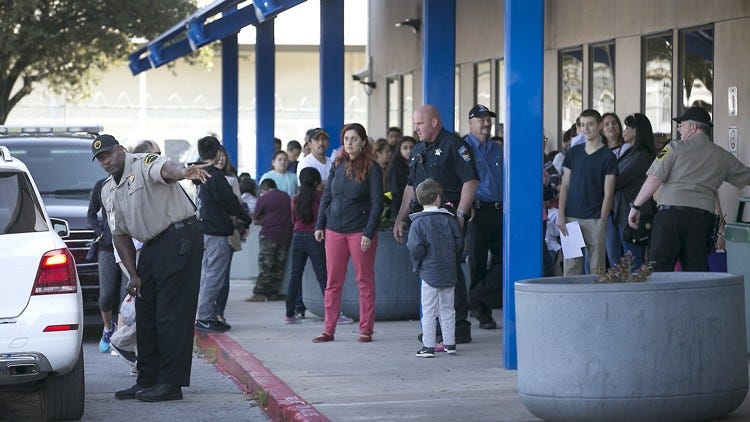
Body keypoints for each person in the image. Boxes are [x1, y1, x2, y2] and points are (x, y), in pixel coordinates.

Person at [93, 134, 209, 402]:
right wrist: (133, 274)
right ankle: (147, 379)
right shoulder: (107, 190)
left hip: (179, 235)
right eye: (100, 158)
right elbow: (119, 234)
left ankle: (170, 383)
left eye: (109, 154)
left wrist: (184, 172)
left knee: (170, 313)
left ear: (121, 150)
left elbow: (166, 169)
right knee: (145, 312)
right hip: (151, 244)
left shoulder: (142, 162)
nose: (105, 160)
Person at [392, 104, 478, 344]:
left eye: (419, 123)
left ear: (434, 122)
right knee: (429, 271)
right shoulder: (418, 149)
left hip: (447, 219)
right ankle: (436, 327)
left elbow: (470, 182)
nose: (415, 128)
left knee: (451, 271)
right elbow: (411, 187)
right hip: (422, 221)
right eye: (415, 123)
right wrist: (400, 218)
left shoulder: (455, 145)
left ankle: (458, 327)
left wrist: (460, 215)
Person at [629, 106, 750, 271]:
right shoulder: (723, 156)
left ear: (693, 127)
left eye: (682, 124)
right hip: (701, 221)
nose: (679, 128)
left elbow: (654, 178)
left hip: (670, 218)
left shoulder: (674, 148)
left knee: (658, 269)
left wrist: (636, 206)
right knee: (696, 271)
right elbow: (747, 177)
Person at [312, 123, 384, 344]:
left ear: (363, 142)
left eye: (354, 139)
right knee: (333, 282)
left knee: (364, 281)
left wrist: (368, 232)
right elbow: (327, 197)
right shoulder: (338, 163)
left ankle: (366, 330)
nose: (349, 143)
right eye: (346, 139)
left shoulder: (372, 167)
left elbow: (377, 202)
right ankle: (328, 330)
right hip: (334, 229)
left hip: (360, 231)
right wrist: (319, 224)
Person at [194, 137, 251, 333]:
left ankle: (202, 315)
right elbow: (231, 202)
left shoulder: (198, 173)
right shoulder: (215, 176)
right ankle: (205, 317)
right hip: (216, 232)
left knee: (206, 275)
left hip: (203, 231)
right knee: (214, 277)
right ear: (218, 153)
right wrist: (246, 218)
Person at [557, 109, 618, 275]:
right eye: (582, 125)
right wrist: (561, 215)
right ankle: (571, 302)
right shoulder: (573, 152)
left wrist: (602, 221)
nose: (586, 129)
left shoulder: (608, 156)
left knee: (597, 269)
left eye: (590, 124)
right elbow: (565, 185)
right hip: (571, 218)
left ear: (599, 126)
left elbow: (609, 193)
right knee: (571, 269)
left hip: (595, 219)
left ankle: (596, 302)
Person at [407, 178, 462, 358]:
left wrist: (419, 263)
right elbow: (459, 242)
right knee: (448, 308)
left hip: (429, 272)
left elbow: (415, 247)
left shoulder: (418, 223)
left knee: (429, 310)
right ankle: (450, 344)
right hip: (448, 270)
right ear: (438, 198)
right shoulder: (449, 219)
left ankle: (428, 346)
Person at [463, 104, 503, 330]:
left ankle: (476, 298)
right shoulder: (464, 147)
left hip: (499, 210)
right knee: (477, 262)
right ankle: (483, 313)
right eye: (481, 120)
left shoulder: (497, 148)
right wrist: (465, 206)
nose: (486, 123)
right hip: (476, 212)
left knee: (503, 260)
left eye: (488, 119)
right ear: (470, 123)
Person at [608, 113, 656, 268]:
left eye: (628, 127)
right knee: (622, 261)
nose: (625, 130)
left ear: (637, 131)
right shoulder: (631, 153)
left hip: (632, 215)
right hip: (621, 213)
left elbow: (619, 180)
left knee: (633, 260)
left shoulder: (642, 157)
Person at [87, 177, 128, 353]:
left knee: (125, 293)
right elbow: (91, 214)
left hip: (129, 246)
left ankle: (120, 338)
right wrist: (101, 233)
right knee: (107, 293)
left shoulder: (131, 182)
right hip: (107, 247)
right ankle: (107, 328)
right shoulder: (101, 185)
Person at [284, 167, 327, 323]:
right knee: (323, 277)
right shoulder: (321, 197)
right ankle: (334, 313)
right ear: (316, 182)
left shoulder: (295, 198)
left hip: (297, 237)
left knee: (295, 276)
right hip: (315, 238)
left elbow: (293, 220)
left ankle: (290, 314)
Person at [246, 179, 293, 302]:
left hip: (269, 235)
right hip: (285, 235)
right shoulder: (286, 197)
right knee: (279, 265)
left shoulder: (263, 198)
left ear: (263, 189)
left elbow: (255, 219)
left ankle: (259, 292)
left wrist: (265, 220)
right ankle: (273, 292)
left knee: (265, 264)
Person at [214, 146, 245, 326]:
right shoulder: (204, 177)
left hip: (227, 232)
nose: (221, 159)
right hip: (208, 232)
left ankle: (219, 313)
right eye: (217, 156)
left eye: (223, 156)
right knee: (209, 274)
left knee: (223, 275)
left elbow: (238, 204)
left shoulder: (231, 179)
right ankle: (207, 312)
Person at [385, 136, 416, 220]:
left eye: (411, 147)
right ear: (399, 150)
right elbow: (395, 192)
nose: (409, 151)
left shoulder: (418, 165)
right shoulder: (395, 167)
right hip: (399, 206)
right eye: (405, 148)